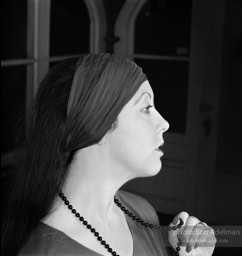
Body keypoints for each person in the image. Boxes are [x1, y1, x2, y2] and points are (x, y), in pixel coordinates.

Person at [2, 53, 216, 256]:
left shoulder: (142, 212)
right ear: (98, 126)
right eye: (146, 108)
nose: (164, 123)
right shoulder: (48, 252)